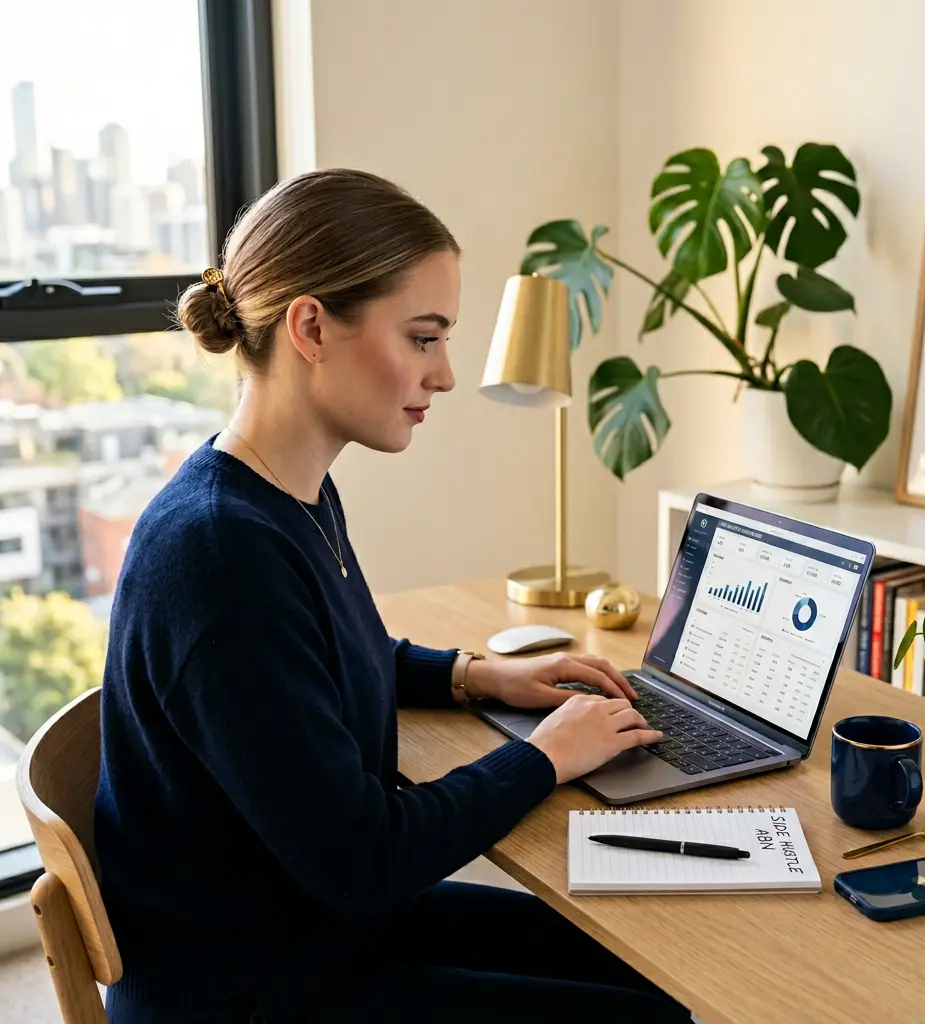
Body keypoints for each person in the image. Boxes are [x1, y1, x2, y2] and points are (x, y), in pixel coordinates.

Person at [94, 169, 692, 1023]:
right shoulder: (224, 555)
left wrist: (476, 677)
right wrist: (546, 754)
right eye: (422, 338)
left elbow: (328, 657)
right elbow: (365, 856)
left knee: (646, 968)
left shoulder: (282, 495)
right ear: (310, 327)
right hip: (251, 987)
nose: (444, 374)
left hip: (307, 924)